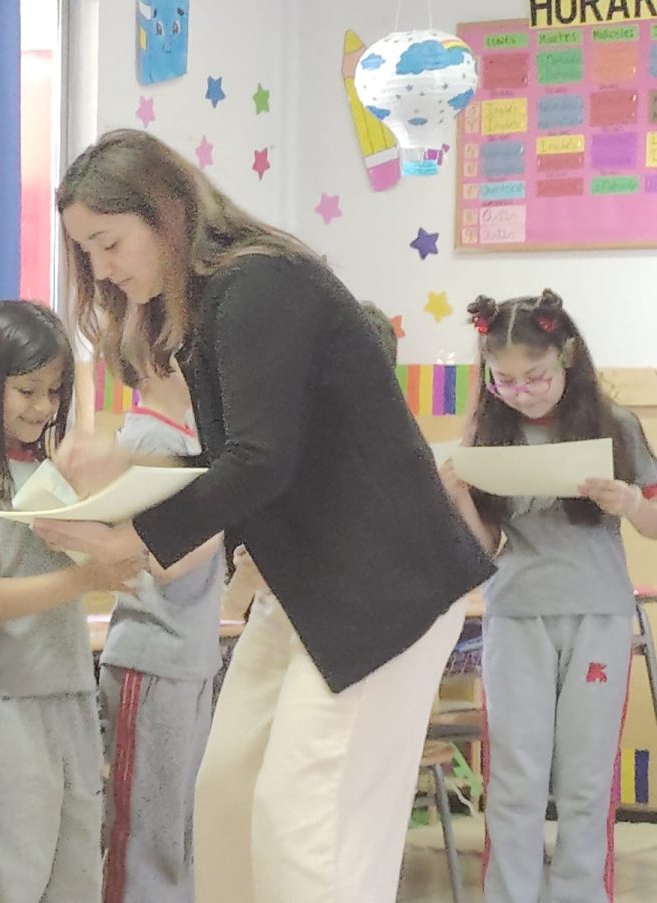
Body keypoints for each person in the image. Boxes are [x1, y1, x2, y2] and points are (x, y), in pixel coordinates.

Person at [37, 128, 494, 902]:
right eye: (87, 254)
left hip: (384, 592)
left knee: (302, 818)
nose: (102, 269)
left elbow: (260, 461)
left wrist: (134, 535)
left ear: (166, 213)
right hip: (312, 587)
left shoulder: (259, 286)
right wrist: (127, 482)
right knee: (227, 793)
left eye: (108, 244)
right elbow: (246, 460)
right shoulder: (221, 299)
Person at [441, 290, 657, 903]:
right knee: (515, 778)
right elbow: (482, 546)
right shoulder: (487, 428)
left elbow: (652, 521)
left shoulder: (613, 424)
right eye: (502, 379)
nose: (521, 391)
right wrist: (458, 493)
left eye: (535, 377)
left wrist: (631, 503)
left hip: (597, 614)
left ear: (566, 357)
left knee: (587, 779)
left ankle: (581, 893)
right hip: (516, 613)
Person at [0, 300, 135, 903]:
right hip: (1, 707)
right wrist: (86, 577)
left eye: (53, 392)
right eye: (26, 390)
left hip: (67, 697)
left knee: (75, 878)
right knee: (5, 879)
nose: (42, 407)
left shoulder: (49, 468)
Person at [96, 360, 224, 903]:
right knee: (142, 839)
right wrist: (229, 501)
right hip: (150, 660)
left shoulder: (189, 436)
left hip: (189, 657)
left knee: (178, 835)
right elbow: (161, 556)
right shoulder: (148, 436)